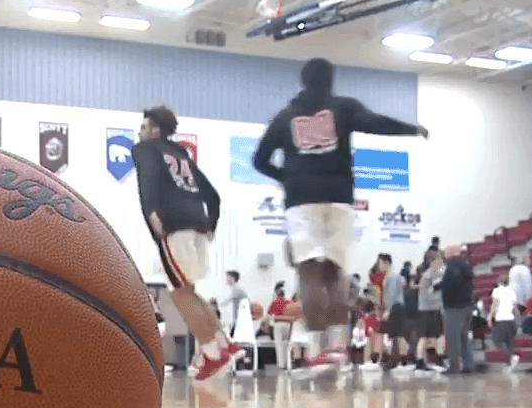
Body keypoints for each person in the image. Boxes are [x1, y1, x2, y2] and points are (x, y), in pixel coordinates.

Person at [251, 57, 428, 371]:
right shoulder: (343, 107)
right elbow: (376, 123)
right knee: (335, 273)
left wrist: (288, 179)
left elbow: (258, 160)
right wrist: (411, 129)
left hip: (302, 201)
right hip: (339, 198)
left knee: (309, 272)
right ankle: (337, 348)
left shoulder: (285, 117)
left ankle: (317, 349)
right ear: (331, 79)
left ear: (303, 81)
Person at [133, 105, 237, 381]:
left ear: (154, 129)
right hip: (199, 224)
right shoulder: (181, 154)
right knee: (188, 290)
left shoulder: (145, 149)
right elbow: (213, 195)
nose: (140, 132)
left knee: (179, 294)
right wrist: (211, 223)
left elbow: (148, 180)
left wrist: (152, 213)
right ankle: (224, 343)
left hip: (174, 224)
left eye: (143, 127)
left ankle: (213, 353)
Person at [437, 244, 475, 374]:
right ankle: (469, 365)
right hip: (467, 305)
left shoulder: (453, 266)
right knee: (463, 337)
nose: (444, 255)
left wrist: (442, 289)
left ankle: (454, 366)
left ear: (451, 253)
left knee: (453, 338)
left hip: (454, 307)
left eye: (446, 252)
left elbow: (451, 284)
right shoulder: (466, 265)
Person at [488, 275, 520, 371]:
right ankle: (509, 364)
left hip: (500, 319)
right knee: (509, 342)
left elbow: (495, 305)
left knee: (497, 342)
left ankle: (512, 356)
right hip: (510, 319)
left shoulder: (496, 291)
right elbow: (516, 309)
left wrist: (490, 317)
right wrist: (517, 320)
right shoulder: (512, 292)